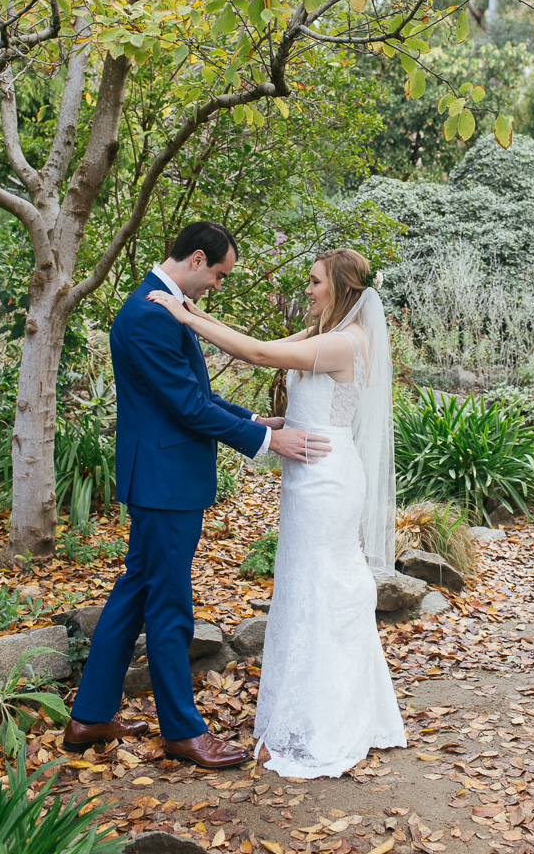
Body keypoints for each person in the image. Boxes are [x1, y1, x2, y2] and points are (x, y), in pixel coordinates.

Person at [63, 222, 330, 770]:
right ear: (198, 259)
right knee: (168, 607)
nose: (217, 285)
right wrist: (267, 439)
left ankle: (89, 715)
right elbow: (187, 406)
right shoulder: (147, 316)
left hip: (164, 477)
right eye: (219, 275)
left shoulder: (157, 306)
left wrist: (254, 417)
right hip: (165, 483)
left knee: (135, 593)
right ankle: (183, 733)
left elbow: (195, 395)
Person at [147, 247, 406, 779]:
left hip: (326, 478)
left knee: (321, 587)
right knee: (305, 586)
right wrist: (195, 316)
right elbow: (259, 348)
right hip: (307, 474)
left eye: (315, 282)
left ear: (339, 286)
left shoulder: (344, 341)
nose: (307, 290)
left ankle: (327, 720)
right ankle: (315, 709)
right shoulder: (320, 336)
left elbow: (261, 356)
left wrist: (182, 315)